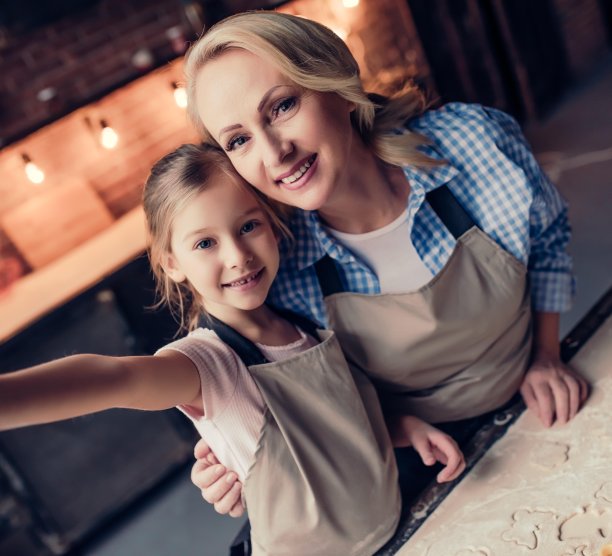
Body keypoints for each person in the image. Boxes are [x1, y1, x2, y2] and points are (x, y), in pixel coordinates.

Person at [182, 10, 589, 518]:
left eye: (283, 106)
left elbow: (548, 239)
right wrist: (236, 467)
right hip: (422, 466)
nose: (275, 153)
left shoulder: (473, 144)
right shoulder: (277, 272)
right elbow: (299, 413)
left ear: (335, 83)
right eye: (238, 140)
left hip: (542, 404)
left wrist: (546, 355)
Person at [0, 144, 465, 556]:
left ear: (273, 225)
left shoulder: (304, 325)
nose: (237, 255)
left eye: (248, 226)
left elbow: (335, 427)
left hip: (399, 527)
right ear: (172, 263)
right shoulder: (207, 364)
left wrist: (399, 428)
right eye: (205, 243)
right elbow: (113, 378)